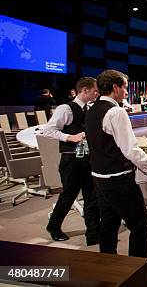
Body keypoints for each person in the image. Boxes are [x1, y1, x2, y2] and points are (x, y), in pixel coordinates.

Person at [85, 70, 147, 287]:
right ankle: (137, 279)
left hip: (99, 178)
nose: (125, 92)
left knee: (109, 225)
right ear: (115, 87)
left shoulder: (91, 109)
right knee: (140, 225)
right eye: (124, 87)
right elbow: (131, 151)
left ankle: (108, 272)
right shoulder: (116, 112)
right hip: (118, 180)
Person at [42, 77, 100, 244]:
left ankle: (94, 233)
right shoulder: (65, 109)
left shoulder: (89, 109)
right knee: (68, 196)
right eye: (95, 90)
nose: (97, 93)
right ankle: (53, 226)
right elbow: (48, 130)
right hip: (71, 161)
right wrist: (70, 137)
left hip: (87, 159)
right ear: (84, 90)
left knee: (91, 196)